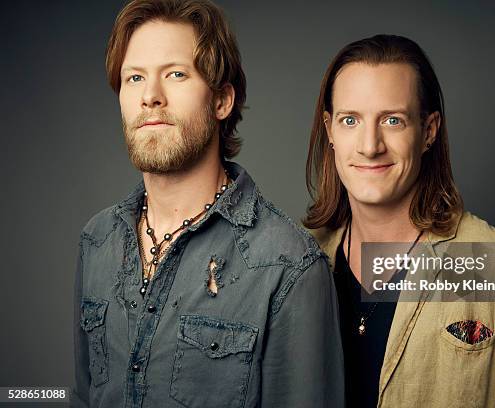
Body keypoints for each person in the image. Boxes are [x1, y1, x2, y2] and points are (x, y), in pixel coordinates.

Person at [72, 1, 343, 407]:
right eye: (134, 78)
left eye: (176, 74)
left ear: (222, 101)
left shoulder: (288, 266)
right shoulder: (97, 241)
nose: (150, 96)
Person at [304, 34, 495, 407]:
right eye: (350, 120)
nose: (369, 145)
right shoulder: (292, 260)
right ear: (330, 130)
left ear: (428, 131)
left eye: (393, 120)